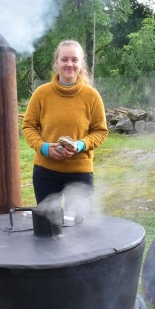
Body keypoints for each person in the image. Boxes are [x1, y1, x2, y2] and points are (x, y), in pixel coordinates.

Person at [22, 40, 108, 204]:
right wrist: (44, 148)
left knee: (79, 220)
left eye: (74, 60)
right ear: (56, 62)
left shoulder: (92, 96)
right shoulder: (41, 94)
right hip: (45, 172)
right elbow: (28, 126)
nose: (69, 64)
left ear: (81, 63)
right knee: (47, 220)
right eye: (64, 59)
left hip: (80, 173)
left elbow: (100, 132)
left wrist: (80, 145)